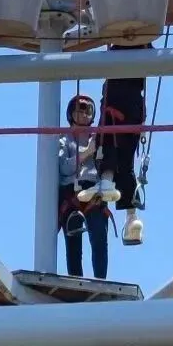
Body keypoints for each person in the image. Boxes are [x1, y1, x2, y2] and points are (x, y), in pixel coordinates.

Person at [77, 43, 148, 246]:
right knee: (126, 162)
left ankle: (107, 181)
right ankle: (131, 216)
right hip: (134, 107)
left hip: (116, 99)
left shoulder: (118, 47)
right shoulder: (144, 46)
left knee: (106, 141)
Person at [58, 94, 109, 279]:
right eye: (81, 109)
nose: (85, 113)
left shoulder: (98, 138)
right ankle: (75, 280)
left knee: (99, 237)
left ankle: (100, 280)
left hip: (94, 191)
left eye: (89, 110)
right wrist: (86, 152)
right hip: (72, 192)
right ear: (71, 113)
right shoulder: (65, 139)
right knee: (73, 239)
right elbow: (64, 168)